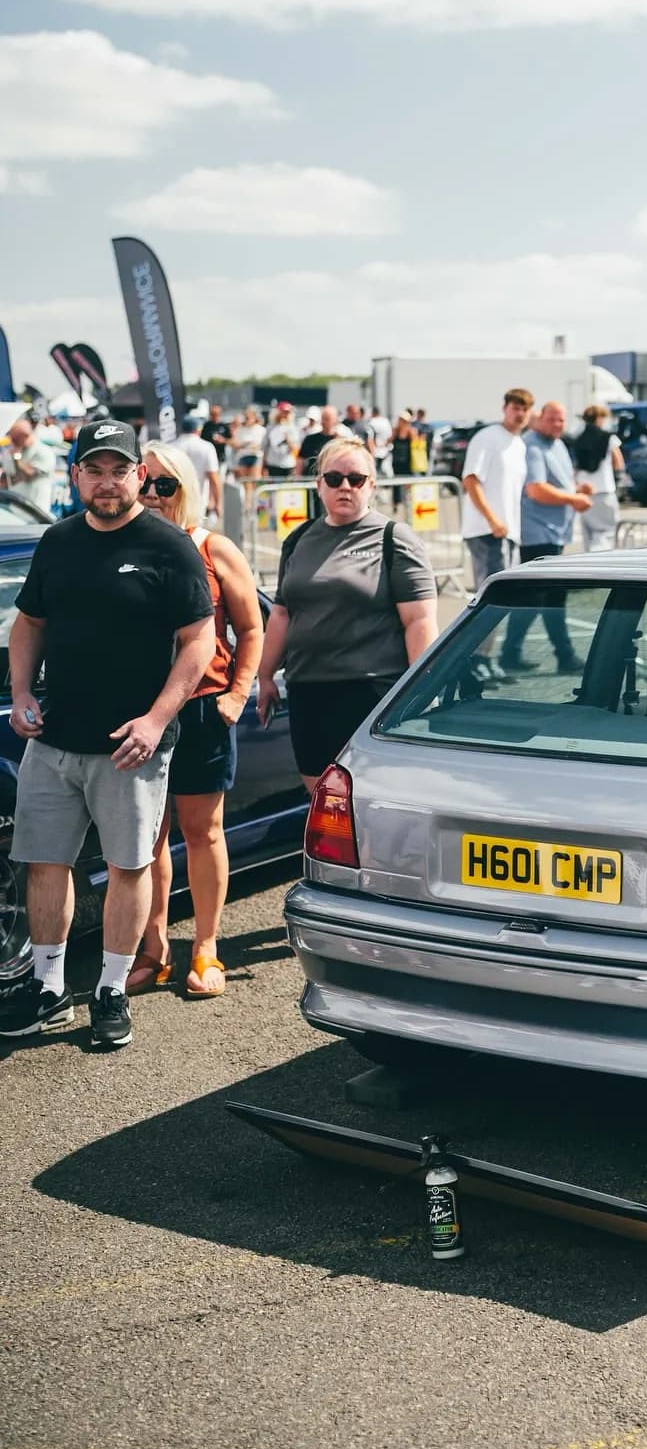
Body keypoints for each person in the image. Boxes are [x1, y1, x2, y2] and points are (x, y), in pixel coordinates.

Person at [0, 421, 215, 1049]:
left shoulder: (167, 546)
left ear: (138, 476)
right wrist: (19, 693)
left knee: (127, 866)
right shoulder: (57, 542)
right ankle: (49, 988)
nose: (106, 482)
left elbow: (199, 641)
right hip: (55, 738)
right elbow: (29, 622)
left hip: (131, 746)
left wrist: (155, 719)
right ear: (75, 478)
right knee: (45, 864)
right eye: (93, 470)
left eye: (118, 470)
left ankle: (112, 990)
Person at [128, 441, 263, 998]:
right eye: (146, 483)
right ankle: (152, 946)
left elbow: (252, 628)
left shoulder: (213, 547)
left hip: (204, 708)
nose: (154, 495)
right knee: (145, 838)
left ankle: (206, 946)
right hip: (138, 715)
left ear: (185, 490)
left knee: (201, 831)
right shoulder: (125, 547)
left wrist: (237, 693)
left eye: (166, 485)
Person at [257, 439, 437, 793]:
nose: (345, 487)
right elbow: (281, 612)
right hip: (308, 688)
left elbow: (418, 621)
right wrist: (265, 676)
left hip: (370, 690)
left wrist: (420, 691)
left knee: (368, 796)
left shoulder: (394, 539)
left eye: (356, 479)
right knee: (321, 796)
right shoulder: (299, 539)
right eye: (335, 478)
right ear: (318, 484)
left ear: (371, 485)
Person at [499, 401, 592, 676]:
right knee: (545, 598)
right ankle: (563, 655)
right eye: (552, 419)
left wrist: (576, 488)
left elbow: (556, 482)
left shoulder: (557, 444)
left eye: (562, 420)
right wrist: (574, 497)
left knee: (539, 598)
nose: (558, 425)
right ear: (539, 418)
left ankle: (511, 653)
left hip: (553, 531)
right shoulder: (533, 445)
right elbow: (537, 490)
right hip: (537, 533)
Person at [460, 388, 532, 602]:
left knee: (504, 600)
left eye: (525, 409)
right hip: (487, 530)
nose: (520, 414)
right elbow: (471, 480)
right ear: (504, 409)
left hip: (507, 532)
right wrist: (492, 520)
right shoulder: (488, 437)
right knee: (491, 602)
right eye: (515, 408)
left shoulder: (519, 444)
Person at [572, 403, 625, 551]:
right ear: (599, 418)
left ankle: (588, 563)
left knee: (588, 534)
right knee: (605, 532)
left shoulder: (578, 437)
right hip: (604, 489)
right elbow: (618, 462)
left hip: (583, 491)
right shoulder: (608, 438)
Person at [1, 414, 57, 514]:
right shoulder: (14, 452)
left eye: (15, 439)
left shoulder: (43, 451)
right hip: (15, 510)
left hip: (37, 511)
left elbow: (29, 474)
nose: (12, 442)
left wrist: (17, 458)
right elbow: (7, 479)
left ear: (25, 436)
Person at [175, 409, 222, 520]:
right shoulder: (206, 447)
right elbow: (214, 478)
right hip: (198, 500)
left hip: (174, 499)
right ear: (198, 429)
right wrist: (218, 503)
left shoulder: (171, 446)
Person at [229, 405, 265, 505]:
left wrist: (254, 446)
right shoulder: (240, 430)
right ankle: (247, 504)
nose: (247, 419)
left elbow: (262, 445)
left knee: (254, 481)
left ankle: (255, 504)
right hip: (243, 457)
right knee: (246, 483)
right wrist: (243, 445)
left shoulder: (260, 430)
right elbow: (235, 444)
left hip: (255, 457)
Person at [263, 402, 300, 478]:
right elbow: (265, 446)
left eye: (287, 413)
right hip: (273, 463)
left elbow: (295, 447)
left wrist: (287, 437)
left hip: (288, 463)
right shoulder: (270, 427)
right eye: (283, 412)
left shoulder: (293, 428)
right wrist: (264, 465)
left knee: (286, 488)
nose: (285, 415)